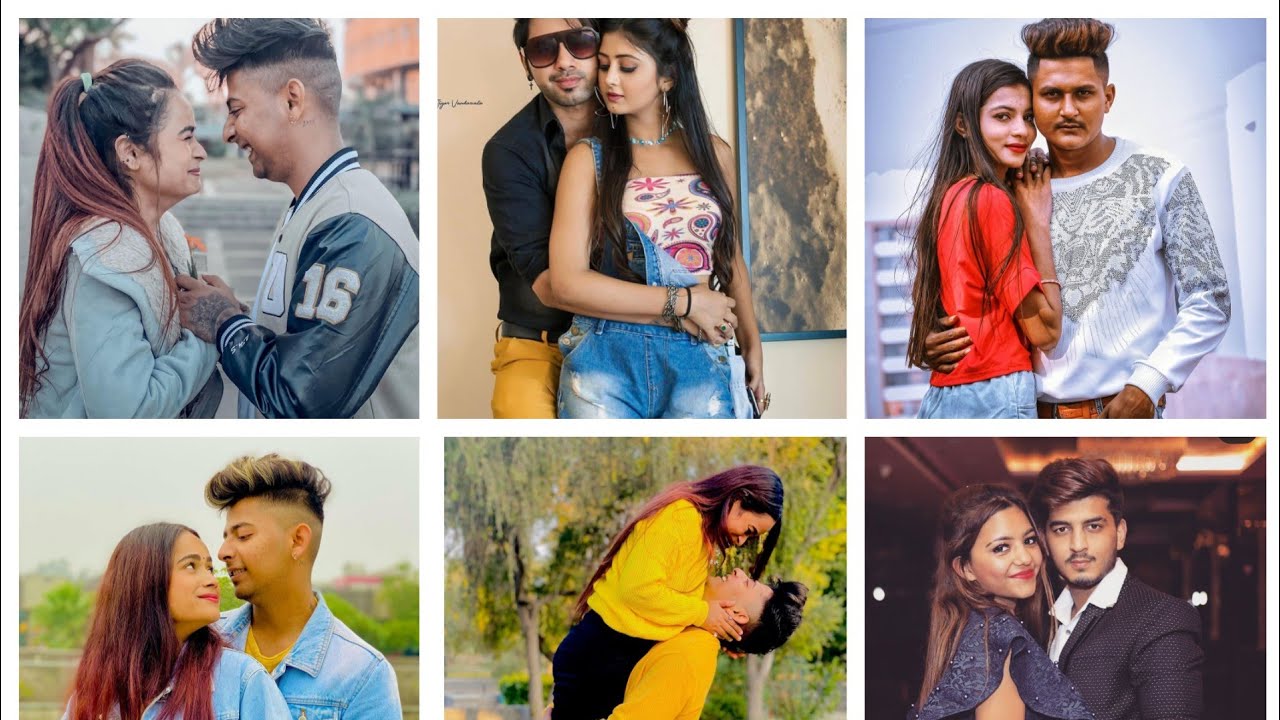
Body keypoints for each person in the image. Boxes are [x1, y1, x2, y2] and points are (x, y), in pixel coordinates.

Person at [925, 19, 1230, 419]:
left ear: (1108, 97)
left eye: (1083, 93)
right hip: (1020, 410)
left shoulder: (1161, 175)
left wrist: (1149, 382)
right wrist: (934, 337)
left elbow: (1210, 298)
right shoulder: (1010, 185)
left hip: (1125, 410)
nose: (1068, 109)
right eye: (1051, 95)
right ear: (1033, 102)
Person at [181, 18, 419, 419]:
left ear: (292, 100)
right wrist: (238, 313)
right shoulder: (315, 205)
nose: (228, 132)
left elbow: (299, 399)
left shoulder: (353, 224)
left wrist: (223, 323)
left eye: (237, 110)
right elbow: (304, 343)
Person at [547, 19, 763, 419]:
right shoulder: (587, 160)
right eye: (605, 64)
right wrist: (684, 302)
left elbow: (730, 260)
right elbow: (566, 283)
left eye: (627, 67)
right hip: (605, 357)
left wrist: (753, 345)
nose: (610, 79)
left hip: (699, 353)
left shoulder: (715, 155)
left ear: (668, 77)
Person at [20, 59, 222, 419]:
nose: (201, 150)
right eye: (187, 136)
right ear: (130, 153)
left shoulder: (163, 230)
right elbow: (129, 410)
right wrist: (211, 335)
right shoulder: (104, 256)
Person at [551, 466, 784, 719]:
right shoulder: (681, 517)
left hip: (616, 656)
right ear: (738, 500)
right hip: (599, 653)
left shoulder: (702, 538)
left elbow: (675, 598)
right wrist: (703, 613)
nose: (741, 542)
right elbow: (638, 589)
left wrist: (726, 633)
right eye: (748, 531)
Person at [907, 59, 1060, 418]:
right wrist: (1037, 222)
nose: (1022, 131)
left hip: (947, 391)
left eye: (1028, 118)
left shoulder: (950, 196)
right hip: (996, 389)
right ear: (963, 124)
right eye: (1003, 117)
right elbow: (1046, 332)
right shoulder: (990, 199)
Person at [206, 454, 402, 717]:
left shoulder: (363, 674)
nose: (223, 552)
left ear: (298, 540)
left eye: (243, 536)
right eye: (227, 537)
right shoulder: (203, 644)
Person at [1029, 459, 1204, 719]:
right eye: (1062, 529)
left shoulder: (1162, 618)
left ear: (1120, 533)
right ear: (1045, 539)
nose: (1078, 544)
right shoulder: (1042, 617)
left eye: (1094, 526)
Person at [62, 523, 290, 720]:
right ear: (147, 579)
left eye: (210, 568)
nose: (211, 579)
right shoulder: (95, 696)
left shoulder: (241, 679)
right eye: (191, 566)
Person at [909, 485, 1092, 720]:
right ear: (966, 568)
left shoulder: (973, 629)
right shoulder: (998, 637)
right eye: (1001, 548)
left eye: (1029, 540)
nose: (1025, 558)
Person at [608, 568, 807, 719]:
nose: (738, 571)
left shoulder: (686, 657)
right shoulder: (693, 642)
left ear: (737, 614)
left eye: (747, 583)